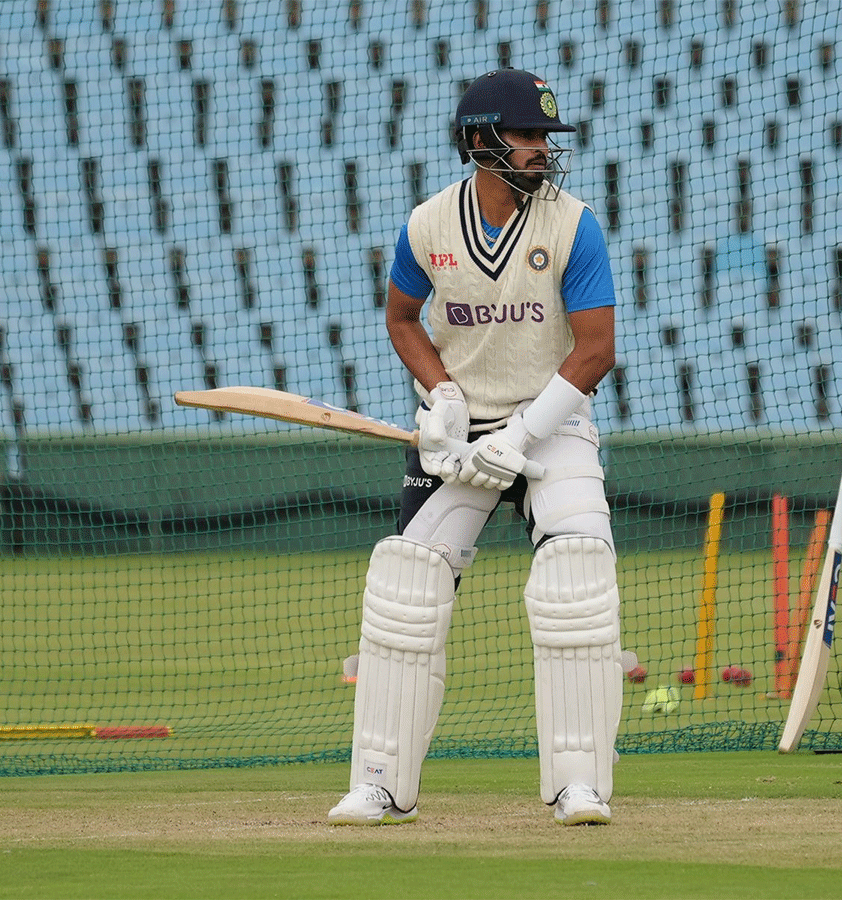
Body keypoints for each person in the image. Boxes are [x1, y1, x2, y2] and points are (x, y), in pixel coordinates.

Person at [328, 69, 622, 827]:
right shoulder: (428, 224)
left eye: (544, 139)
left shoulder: (573, 224)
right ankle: (380, 782)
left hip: (552, 427)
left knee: (576, 580)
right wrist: (444, 401)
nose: (540, 152)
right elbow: (402, 319)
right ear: (478, 140)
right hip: (463, 434)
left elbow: (595, 352)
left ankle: (578, 784)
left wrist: (520, 436)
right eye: (526, 137)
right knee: (405, 592)